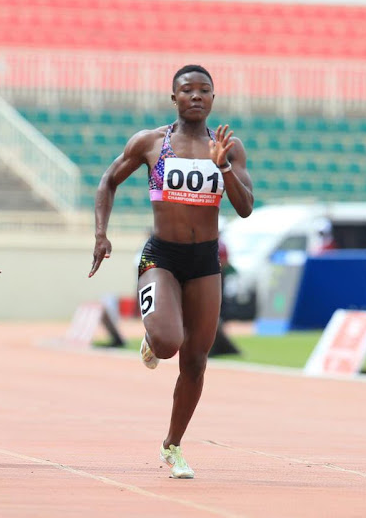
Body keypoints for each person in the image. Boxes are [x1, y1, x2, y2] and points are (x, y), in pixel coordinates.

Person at [89, 65, 253, 478]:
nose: (196, 96)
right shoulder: (150, 142)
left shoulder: (228, 148)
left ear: (214, 98)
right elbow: (108, 181)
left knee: (195, 362)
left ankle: (173, 445)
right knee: (166, 344)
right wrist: (101, 234)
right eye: (187, 90)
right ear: (173, 97)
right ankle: (152, 336)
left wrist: (225, 169)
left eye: (204, 90)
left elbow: (246, 207)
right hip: (161, 256)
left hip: (204, 263)